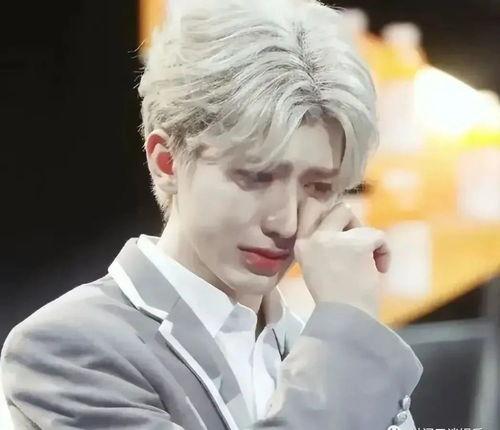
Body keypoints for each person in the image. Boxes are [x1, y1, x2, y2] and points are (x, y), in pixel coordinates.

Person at [0, 0, 423, 428]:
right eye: (256, 176)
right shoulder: (70, 348)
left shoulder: (320, 349)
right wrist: (346, 331)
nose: (286, 223)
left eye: (318, 187)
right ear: (166, 162)